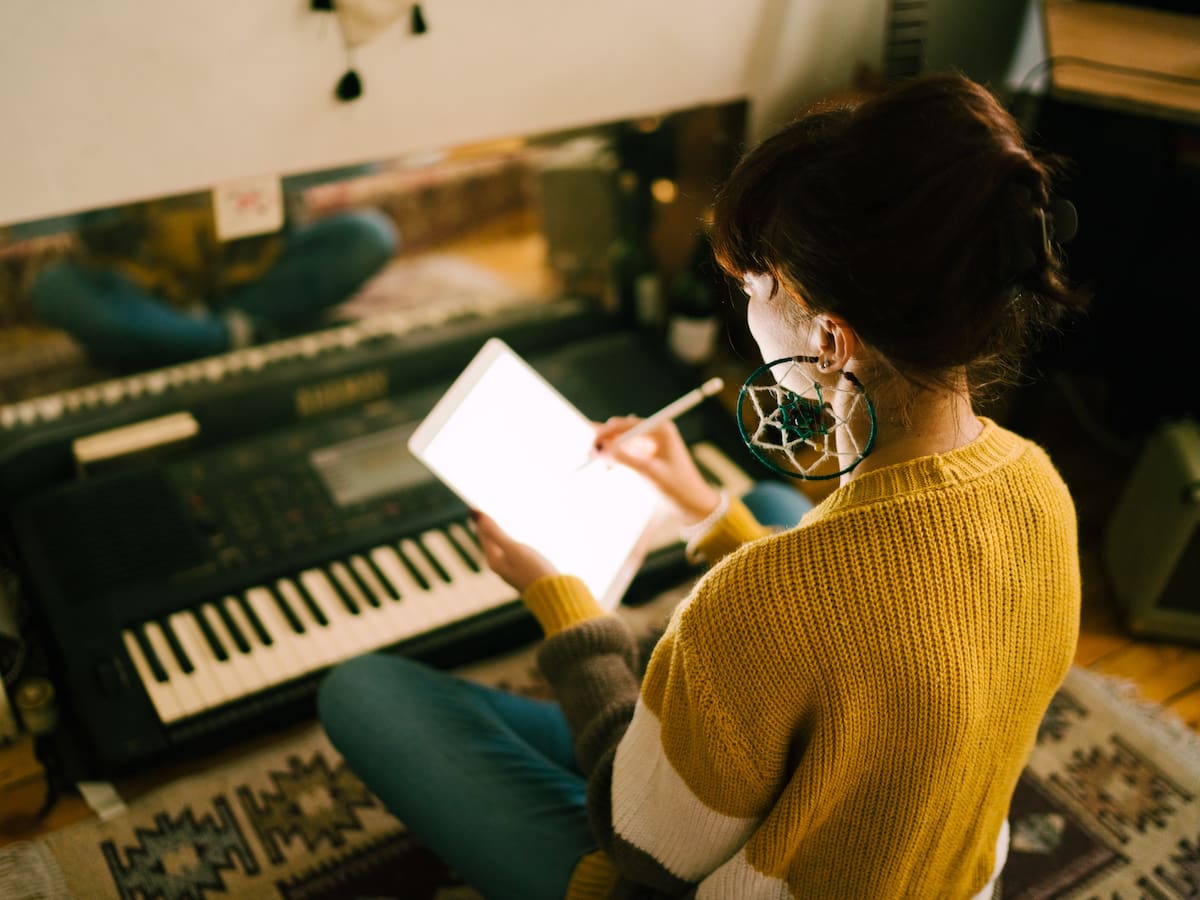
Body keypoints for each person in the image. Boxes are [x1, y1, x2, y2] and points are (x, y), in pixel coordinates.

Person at [318, 73, 1085, 899]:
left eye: (757, 288)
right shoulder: (1040, 488)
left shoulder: (751, 607)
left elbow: (643, 844)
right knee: (764, 510)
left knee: (362, 691)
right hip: (936, 872)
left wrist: (570, 611)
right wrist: (704, 510)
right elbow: (873, 631)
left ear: (830, 339)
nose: (746, 308)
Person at [26, 181, 397, 369]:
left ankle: (197, 341)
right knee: (55, 289)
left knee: (368, 235)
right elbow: (95, 240)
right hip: (155, 298)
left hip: (246, 289)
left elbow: (288, 220)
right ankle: (224, 339)